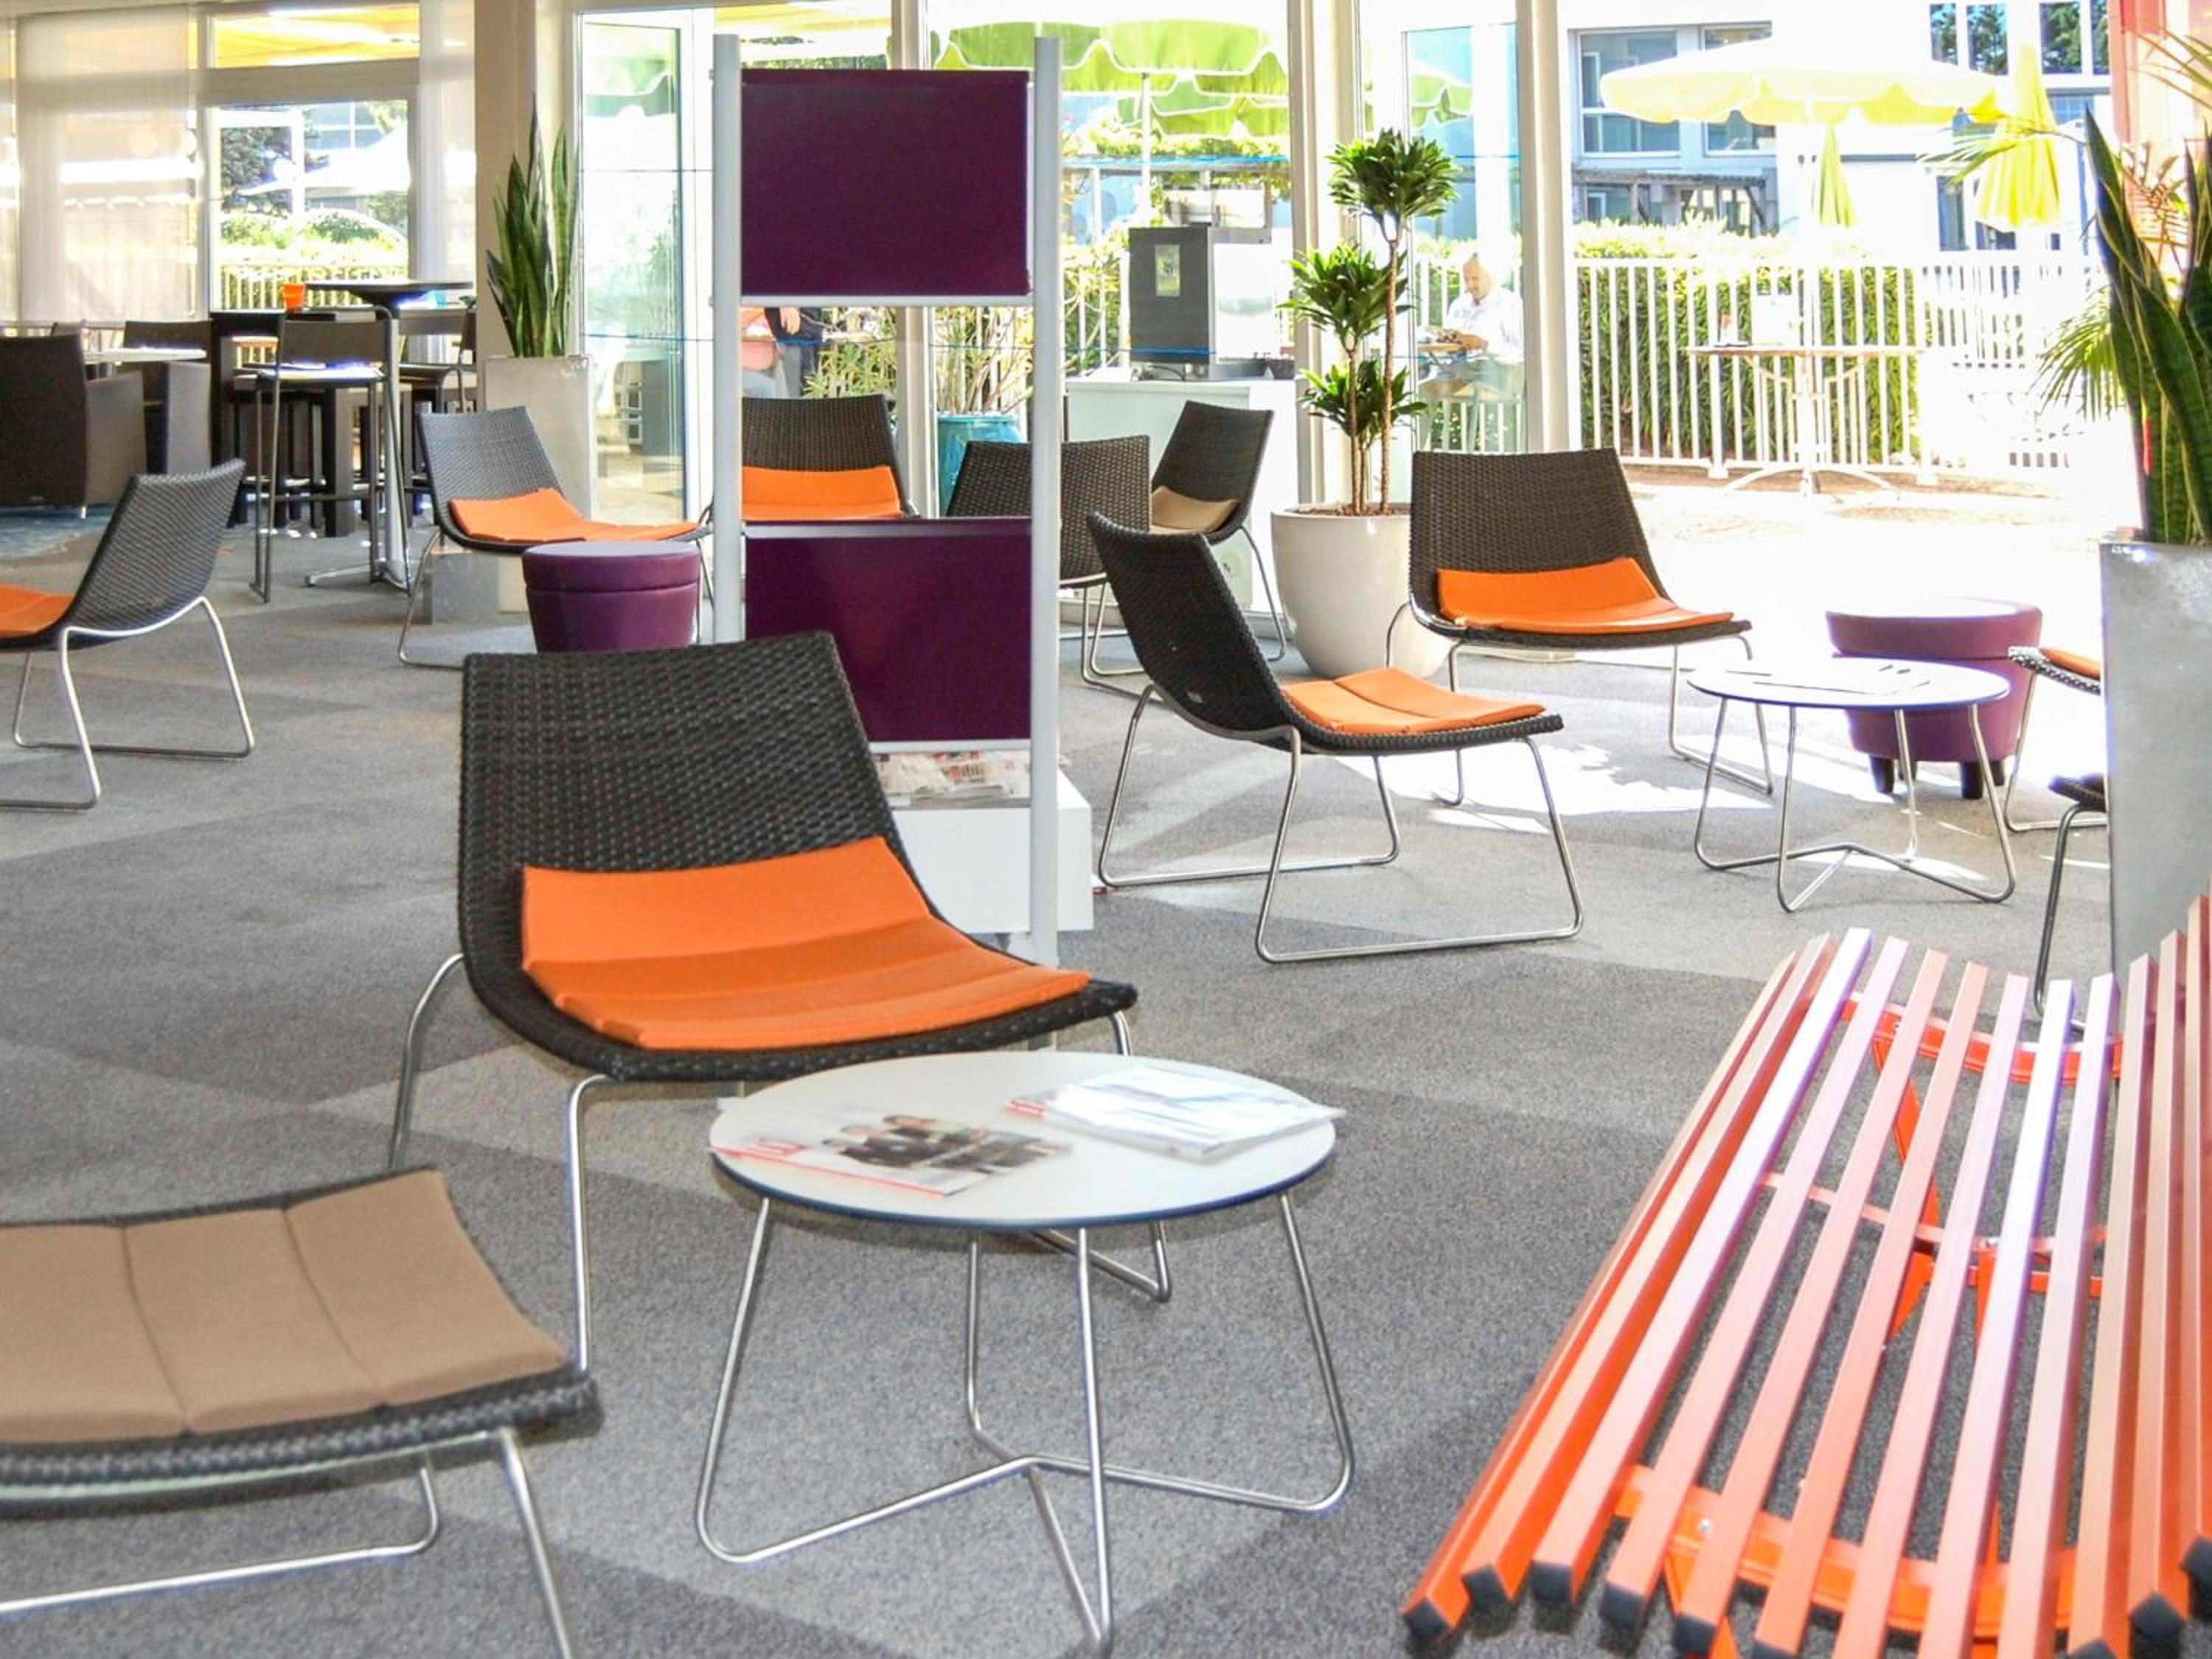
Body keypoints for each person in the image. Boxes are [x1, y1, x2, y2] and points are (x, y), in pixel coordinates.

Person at [1422, 246, 1525, 403]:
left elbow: (1520, 351)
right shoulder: (1459, 304)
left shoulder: (1509, 304)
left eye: (1476, 279)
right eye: (1466, 279)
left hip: (1497, 374)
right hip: (1460, 369)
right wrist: (1446, 338)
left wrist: (1482, 344)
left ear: (1492, 276)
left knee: (1431, 385)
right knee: (1422, 381)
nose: (1470, 285)